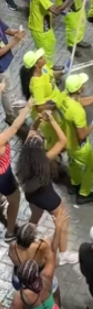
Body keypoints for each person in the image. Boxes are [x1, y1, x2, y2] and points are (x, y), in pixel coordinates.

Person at [17, 110, 77, 266]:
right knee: (61, 218)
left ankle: (26, 242)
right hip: (45, 194)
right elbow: (63, 140)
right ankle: (64, 253)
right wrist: (51, 120)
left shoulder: (25, 155)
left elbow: (32, 131)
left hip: (31, 194)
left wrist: (38, 119)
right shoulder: (45, 158)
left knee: (35, 217)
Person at [61, 73, 93, 204]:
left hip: (68, 142)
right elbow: (82, 136)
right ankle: (84, 194)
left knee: (73, 163)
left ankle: (75, 184)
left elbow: (80, 102)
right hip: (80, 147)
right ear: (78, 89)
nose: (85, 85)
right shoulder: (78, 112)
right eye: (82, 84)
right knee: (89, 166)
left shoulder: (64, 97)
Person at [20, 48, 64, 150]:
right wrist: (55, 104)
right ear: (35, 64)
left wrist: (62, 72)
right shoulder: (37, 84)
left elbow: (51, 75)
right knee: (52, 138)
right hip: (46, 115)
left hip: (54, 106)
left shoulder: (43, 68)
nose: (43, 58)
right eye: (40, 58)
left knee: (58, 129)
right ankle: (49, 154)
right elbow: (39, 107)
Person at [0, 94, 30, 239]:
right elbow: (16, 126)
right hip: (3, 176)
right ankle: (11, 231)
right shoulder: (1, 139)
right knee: (15, 199)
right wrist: (27, 107)